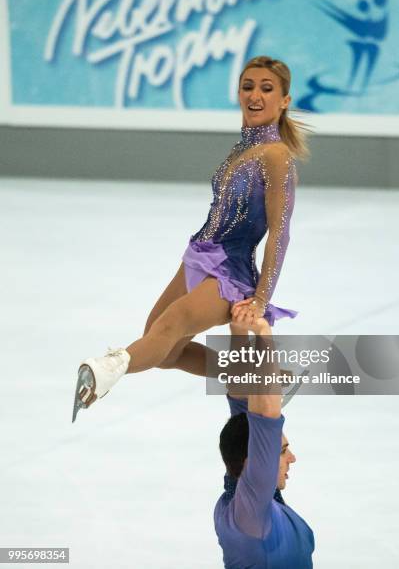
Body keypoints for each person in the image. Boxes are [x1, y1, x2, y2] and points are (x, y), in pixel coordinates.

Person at [72, 55, 311, 422]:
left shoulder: (277, 156)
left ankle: (107, 368)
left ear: (284, 100)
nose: (255, 95)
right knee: (162, 348)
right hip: (199, 256)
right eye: (248, 87)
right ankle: (270, 379)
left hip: (229, 273)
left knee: (169, 329)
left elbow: (280, 232)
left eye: (267, 88)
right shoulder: (242, 149)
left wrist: (261, 300)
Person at [216, 320, 315, 568]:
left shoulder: (244, 498)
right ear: (254, 462)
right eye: (281, 451)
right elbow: (267, 415)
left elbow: (240, 391)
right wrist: (262, 331)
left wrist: (238, 327)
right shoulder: (251, 514)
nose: (292, 458)